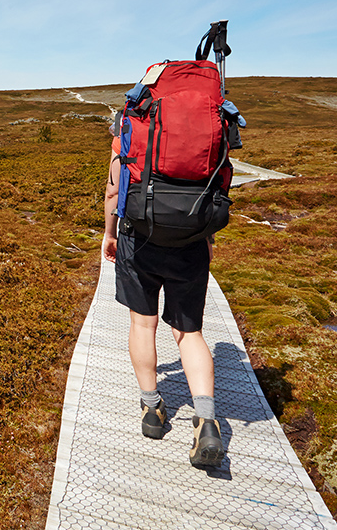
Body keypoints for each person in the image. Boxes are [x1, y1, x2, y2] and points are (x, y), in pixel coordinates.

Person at [102, 131, 226, 467]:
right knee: (189, 333)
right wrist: (207, 236)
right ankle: (206, 421)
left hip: (138, 236)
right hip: (191, 239)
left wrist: (109, 233)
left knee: (143, 324)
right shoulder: (212, 118)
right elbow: (219, 183)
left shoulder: (134, 115)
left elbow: (115, 189)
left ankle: (152, 410)